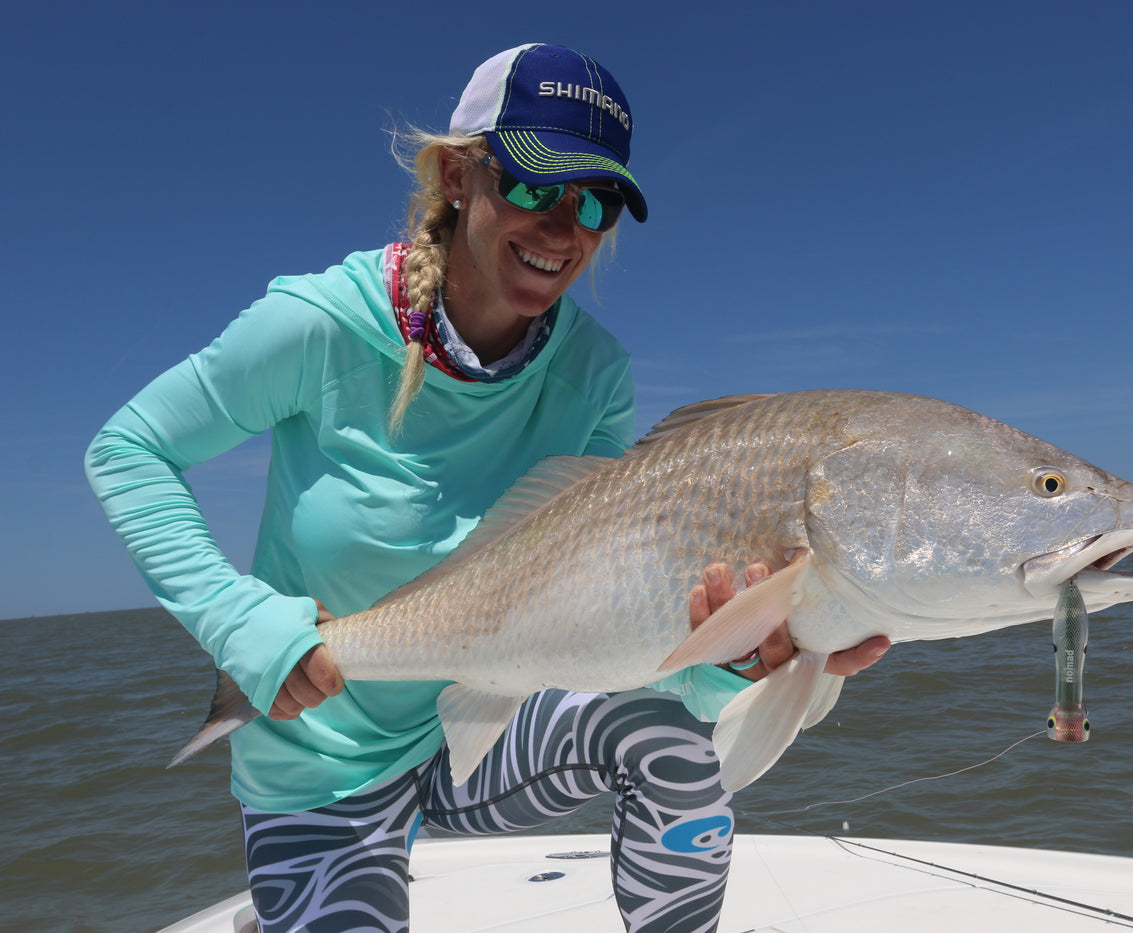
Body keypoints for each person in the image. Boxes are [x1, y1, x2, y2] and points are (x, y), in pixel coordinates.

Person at [86, 43, 888, 933]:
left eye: (594, 201)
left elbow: (597, 627)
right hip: (322, 760)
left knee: (670, 741)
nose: (562, 227)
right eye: (536, 185)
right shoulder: (320, 325)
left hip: (483, 734)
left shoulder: (595, 374)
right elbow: (128, 450)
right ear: (457, 175)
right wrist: (240, 623)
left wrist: (729, 659)